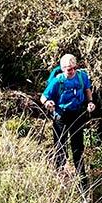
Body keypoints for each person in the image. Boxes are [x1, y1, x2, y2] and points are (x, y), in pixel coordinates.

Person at [40, 54, 95, 184]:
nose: (67, 71)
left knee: (77, 147)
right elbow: (43, 97)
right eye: (64, 68)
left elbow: (87, 89)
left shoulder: (82, 77)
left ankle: (81, 178)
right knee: (60, 146)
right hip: (60, 115)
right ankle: (59, 176)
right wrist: (48, 103)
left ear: (75, 67)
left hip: (76, 114)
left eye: (70, 69)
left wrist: (90, 102)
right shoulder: (58, 80)